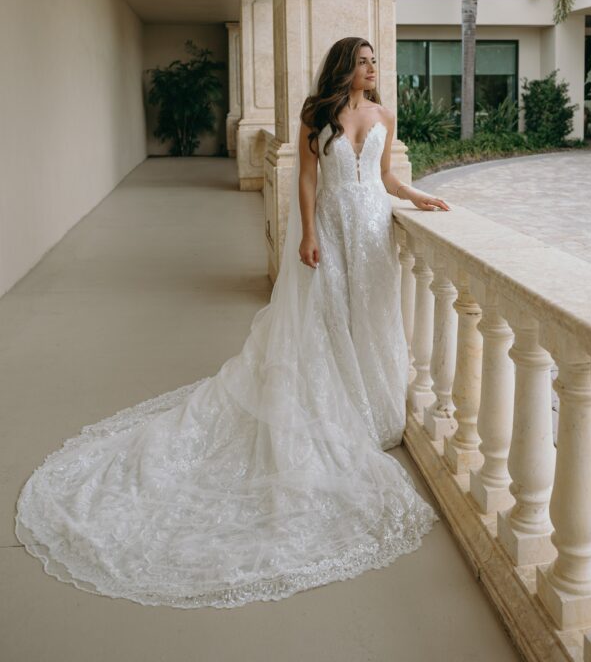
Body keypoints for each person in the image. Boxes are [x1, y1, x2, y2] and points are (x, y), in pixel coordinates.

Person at [15, 36, 449, 609]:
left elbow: (387, 181)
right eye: (364, 61)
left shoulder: (384, 115)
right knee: (327, 319)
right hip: (333, 233)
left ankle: (371, 399)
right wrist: (310, 234)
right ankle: (339, 404)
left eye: (374, 62)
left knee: (368, 315)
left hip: (370, 232)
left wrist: (420, 198)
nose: (373, 69)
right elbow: (309, 182)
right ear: (345, 66)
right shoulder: (316, 115)